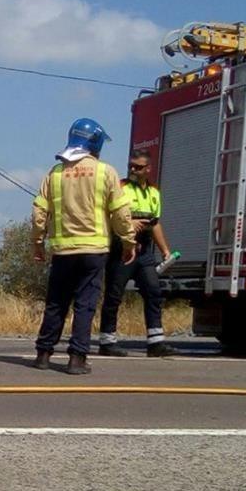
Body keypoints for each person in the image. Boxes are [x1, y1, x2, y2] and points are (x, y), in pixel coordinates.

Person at [31, 118, 135, 375]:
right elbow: (121, 214)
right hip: (94, 251)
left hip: (63, 252)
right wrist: (128, 241)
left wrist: (37, 243)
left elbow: (38, 213)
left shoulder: (54, 173)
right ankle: (77, 359)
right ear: (96, 143)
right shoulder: (105, 172)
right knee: (85, 305)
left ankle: (43, 354)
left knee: (56, 302)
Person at [97, 149, 176, 357]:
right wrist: (128, 223)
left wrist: (165, 250)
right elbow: (106, 215)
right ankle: (107, 341)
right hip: (122, 248)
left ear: (148, 169)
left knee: (153, 293)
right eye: (131, 166)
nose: (133, 170)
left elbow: (155, 224)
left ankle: (156, 342)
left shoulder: (154, 192)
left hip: (144, 252)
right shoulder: (121, 187)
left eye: (138, 167)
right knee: (114, 295)